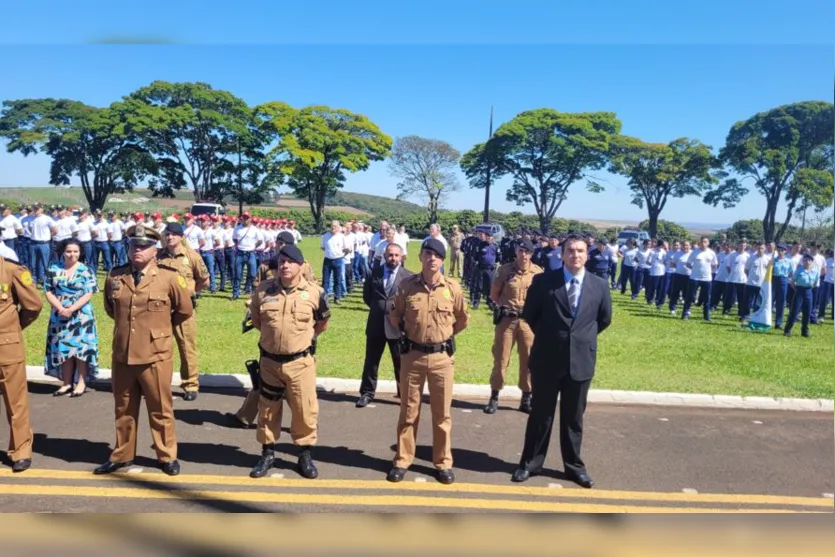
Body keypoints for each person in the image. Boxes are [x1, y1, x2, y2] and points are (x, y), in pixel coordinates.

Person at [512, 234, 612, 488]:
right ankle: (530, 464)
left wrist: (578, 339)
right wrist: (553, 336)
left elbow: (603, 320)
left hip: (580, 361)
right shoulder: (544, 281)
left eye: (580, 251)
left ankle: (574, 467)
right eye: (570, 250)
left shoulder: (599, 285)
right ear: (562, 254)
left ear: (587, 255)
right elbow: (530, 316)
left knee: (573, 418)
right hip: (547, 359)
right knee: (540, 415)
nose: (575, 255)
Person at [95, 224, 193, 476]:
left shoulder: (170, 277)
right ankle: (122, 454)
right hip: (123, 353)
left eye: (143, 246)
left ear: (155, 250)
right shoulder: (116, 277)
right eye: (132, 245)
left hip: (156, 355)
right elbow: (111, 309)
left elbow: (183, 311)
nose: (136, 250)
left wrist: (158, 331)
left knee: (160, 409)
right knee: (123, 409)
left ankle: (166, 455)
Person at [387, 239, 469, 484]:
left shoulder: (452, 288)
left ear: (443, 260)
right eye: (428, 254)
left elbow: (463, 319)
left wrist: (444, 336)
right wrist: (408, 332)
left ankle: (443, 462)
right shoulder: (406, 286)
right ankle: (403, 459)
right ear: (420, 257)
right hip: (412, 356)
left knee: (442, 414)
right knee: (408, 412)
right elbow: (395, 315)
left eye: (437, 255)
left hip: (442, 359)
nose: (432, 259)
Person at [248, 244, 331, 479]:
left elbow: (322, 323)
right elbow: (257, 320)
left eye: (290, 262)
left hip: (300, 363)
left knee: (304, 411)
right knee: (267, 411)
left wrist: (304, 339)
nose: (284, 266)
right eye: (281, 262)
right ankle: (267, 453)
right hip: (270, 363)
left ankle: (304, 454)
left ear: (301, 266)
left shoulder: (315, 292)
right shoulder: (263, 290)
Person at [484, 238, 543, 414]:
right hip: (507, 321)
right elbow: (494, 294)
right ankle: (494, 397)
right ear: (516, 252)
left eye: (527, 252)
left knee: (529, 360)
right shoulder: (504, 270)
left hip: (527, 323)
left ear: (532, 254)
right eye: (521, 251)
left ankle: (526, 398)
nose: (523, 254)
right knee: (501, 359)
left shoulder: (538, 273)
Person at [156, 223, 209, 401]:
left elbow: (204, 280)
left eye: (173, 234)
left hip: (184, 310)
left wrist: (190, 293)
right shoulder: (158, 256)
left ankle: (191, 384)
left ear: (180, 237)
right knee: (159, 346)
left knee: (187, 347)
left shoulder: (191, 256)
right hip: (161, 309)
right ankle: (159, 383)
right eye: (167, 234)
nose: (169, 237)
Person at [356, 242, 414, 407]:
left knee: (400, 362)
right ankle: (366, 393)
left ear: (402, 257)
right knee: (371, 362)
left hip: (398, 327)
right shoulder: (373, 273)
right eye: (390, 255)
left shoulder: (408, 277)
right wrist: (380, 309)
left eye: (396, 255)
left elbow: (410, 303)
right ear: (384, 256)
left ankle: (404, 395)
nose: (393, 258)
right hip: (376, 324)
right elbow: (367, 297)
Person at [0, 250, 43, 472]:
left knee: (15, 401)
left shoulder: (12, 271)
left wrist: (14, 328)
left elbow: (33, 305)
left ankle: (21, 451)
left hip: (6, 346)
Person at [44, 239, 99, 397]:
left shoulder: (85, 270)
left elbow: (89, 292)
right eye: (69, 251)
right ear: (63, 252)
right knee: (63, 348)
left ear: (80, 252)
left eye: (75, 251)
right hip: (60, 315)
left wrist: (72, 309)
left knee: (81, 350)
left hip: (81, 315)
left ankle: (81, 383)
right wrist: (61, 308)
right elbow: (48, 290)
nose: (72, 254)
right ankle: (66, 383)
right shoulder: (53, 269)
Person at [784, 253, 818, 338]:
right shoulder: (799, 270)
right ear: (803, 261)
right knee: (794, 312)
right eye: (805, 260)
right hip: (799, 291)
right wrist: (797, 290)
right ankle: (787, 330)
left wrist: (808, 289)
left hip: (809, 292)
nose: (807, 262)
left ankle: (805, 331)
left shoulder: (815, 272)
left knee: (807, 312)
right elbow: (792, 282)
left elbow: (814, 283)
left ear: (812, 262)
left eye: (809, 260)